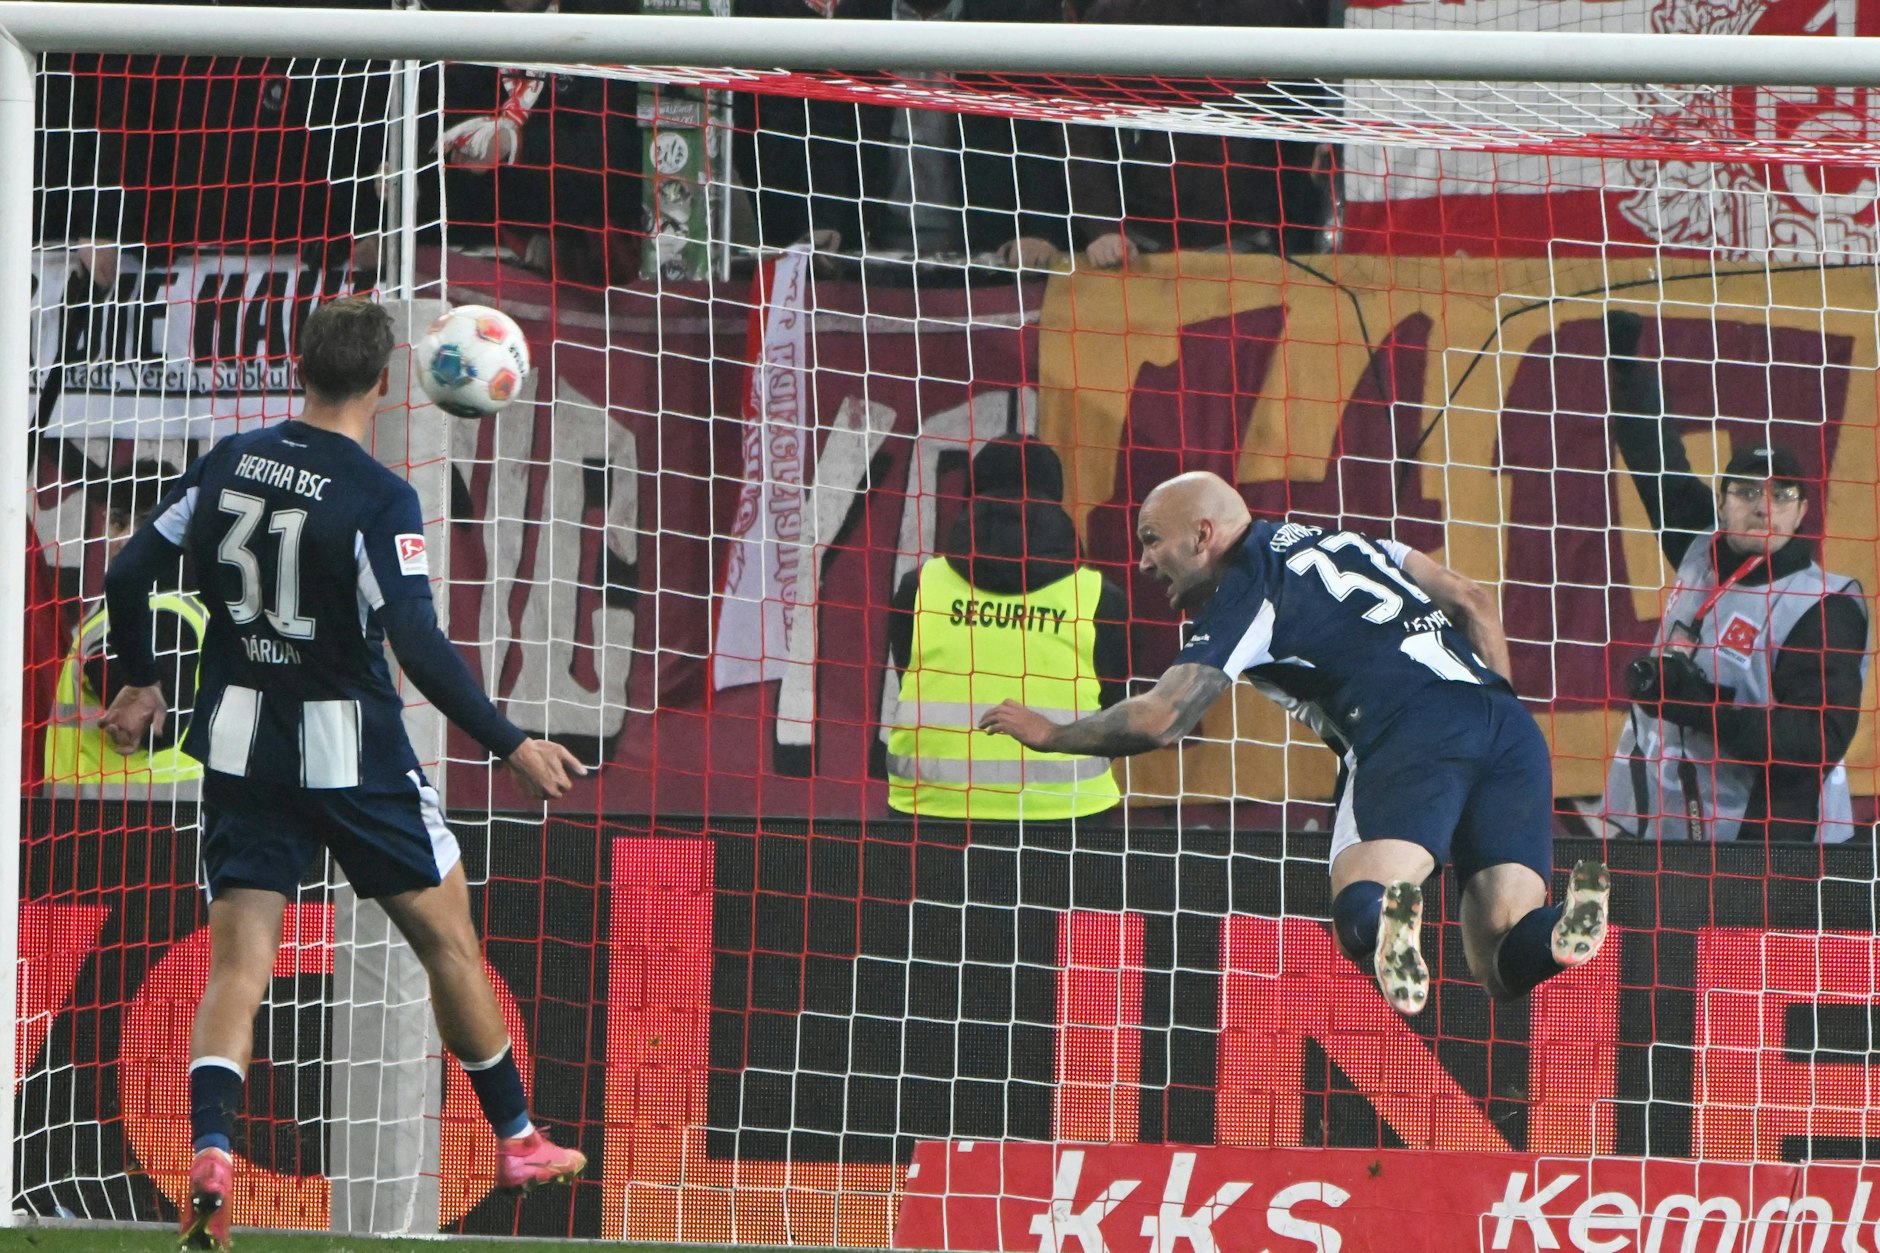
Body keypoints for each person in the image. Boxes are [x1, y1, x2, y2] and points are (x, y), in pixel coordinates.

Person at [98, 298, 589, 1251]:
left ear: (298, 365)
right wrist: (511, 741)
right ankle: (518, 1138)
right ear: (383, 382)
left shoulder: (230, 459)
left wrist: (139, 681)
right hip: (352, 755)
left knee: (239, 966)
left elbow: (127, 574)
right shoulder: (377, 497)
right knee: (449, 939)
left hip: (242, 745)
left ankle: (211, 1148)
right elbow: (417, 642)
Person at [979, 471, 1610, 1016]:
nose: (1142, 562)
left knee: (1358, 907)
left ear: (1204, 535)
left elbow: (1160, 719)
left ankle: (1391, 916)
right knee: (1501, 959)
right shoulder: (1347, 541)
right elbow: (1472, 600)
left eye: (1150, 539)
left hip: (1405, 727)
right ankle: (1563, 928)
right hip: (1507, 725)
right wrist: (1494, 696)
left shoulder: (1248, 587)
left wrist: (1054, 734)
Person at [1602, 311, 1869, 843]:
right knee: (1633, 927)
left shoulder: (1824, 604)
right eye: (1746, 492)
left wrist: (1703, 709)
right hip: (1655, 820)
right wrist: (1626, 366)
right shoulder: (1699, 546)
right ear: (1722, 504)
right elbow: (1655, 454)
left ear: (1802, 512)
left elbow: (1820, 738)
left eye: (1781, 495)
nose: (1763, 507)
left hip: (1765, 841)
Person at [886, 438, 1128, 819]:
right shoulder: (1102, 598)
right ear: (1054, 498)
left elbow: (907, 677)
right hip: (1070, 814)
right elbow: (1116, 711)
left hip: (932, 811)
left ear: (971, 494)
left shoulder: (917, 588)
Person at [732, 0, 1075, 266]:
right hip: (872, 248)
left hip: (988, 248)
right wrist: (826, 219)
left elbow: (1033, 135)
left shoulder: (1007, 17)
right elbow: (829, 133)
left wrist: (1039, 232)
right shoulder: (858, 18)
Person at [1056, 0, 1333, 269]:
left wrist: (1292, 242)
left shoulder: (1276, 16)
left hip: (1251, 244)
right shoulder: (1117, 18)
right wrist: (1102, 227)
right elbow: (1080, 131)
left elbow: (1301, 139)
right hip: (1135, 245)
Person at [44, 462, 208, 797]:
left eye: (146, 524)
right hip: (128, 812)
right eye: (118, 521)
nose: (125, 538)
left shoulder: (166, 611)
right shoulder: (179, 606)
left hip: (123, 819)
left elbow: (163, 718)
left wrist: (110, 667)